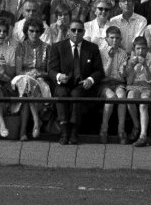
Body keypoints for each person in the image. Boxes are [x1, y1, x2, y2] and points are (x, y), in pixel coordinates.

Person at [48, 17, 103, 145]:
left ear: (84, 32)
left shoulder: (92, 48)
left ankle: (73, 133)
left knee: (76, 95)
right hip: (64, 83)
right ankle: (64, 132)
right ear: (68, 31)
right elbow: (51, 69)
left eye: (79, 30)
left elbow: (99, 71)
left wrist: (90, 79)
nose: (76, 33)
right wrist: (59, 76)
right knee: (61, 94)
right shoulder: (58, 47)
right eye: (73, 30)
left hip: (82, 85)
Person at [12, 17, 51, 141]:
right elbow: (18, 71)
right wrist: (29, 73)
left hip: (39, 80)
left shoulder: (47, 47)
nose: (34, 34)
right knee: (27, 82)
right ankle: (36, 120)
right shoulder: (21, 46)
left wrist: (38, 74)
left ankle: (23, 132)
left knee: (27, 98)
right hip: (22, 78)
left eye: (37, 31)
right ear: (26, 31)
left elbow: (49, 72)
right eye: (31, 31)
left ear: (41, 32)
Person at [123, 35, 151, 146]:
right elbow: (129, 82)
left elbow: (150, 80)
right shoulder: (130, 60)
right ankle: (136, 125)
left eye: (143, 48)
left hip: (147, 87)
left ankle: (143, 135)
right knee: (130, 98)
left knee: (143, 104)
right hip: (134, 86)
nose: (141, 51)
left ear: (147, 49)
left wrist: (145, 65)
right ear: (134, 49)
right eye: (138, 48)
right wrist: (131, 67)